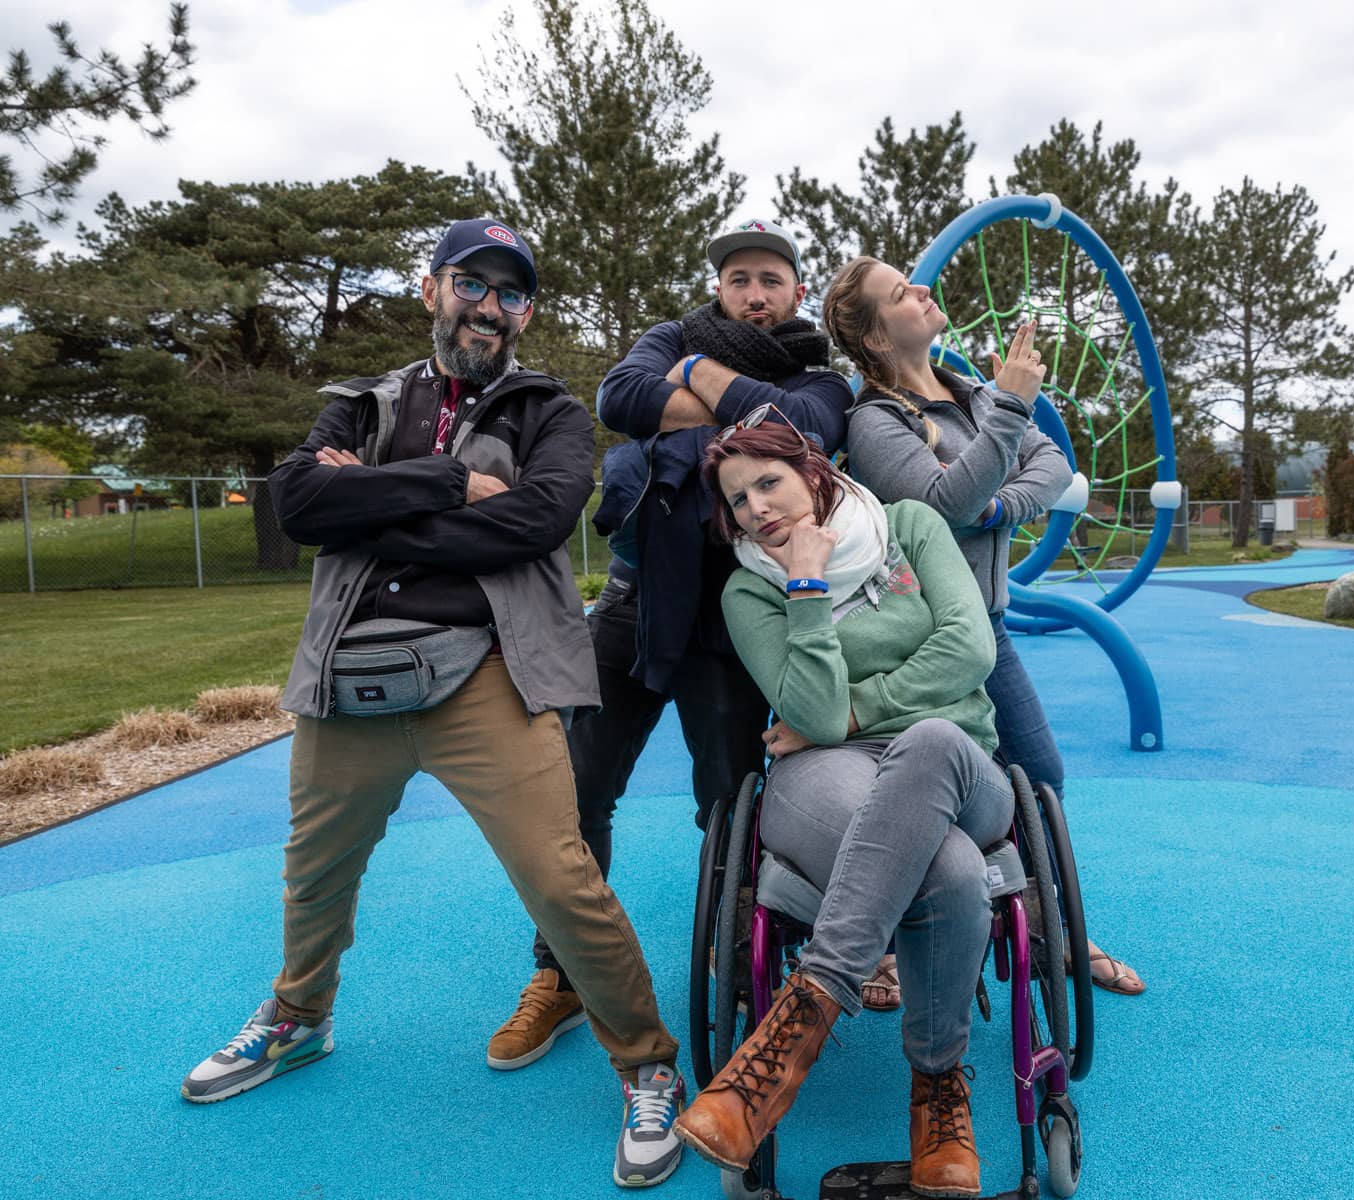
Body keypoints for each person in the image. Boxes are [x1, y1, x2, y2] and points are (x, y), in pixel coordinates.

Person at [179, 219, 687, 1190]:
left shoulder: (553, 412)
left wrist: (372, 512)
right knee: (316, 876)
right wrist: (454, 483)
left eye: (513, 293)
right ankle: (300, 1020)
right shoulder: (361, 404)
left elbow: (538, 520)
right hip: (349, 680)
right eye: (473, 283)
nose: (491, 306)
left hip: (488, 676)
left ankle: (646, 1064)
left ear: (527, 312)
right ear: (431, 290)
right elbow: (298, 505)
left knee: (560, 875)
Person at [485, 220, 853, 1074]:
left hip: (736, 618)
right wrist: (721, 396)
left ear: (796, 290)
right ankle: (563, 976)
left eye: (770, 278)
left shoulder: (820, 376)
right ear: (718, 288)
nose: (753, 294)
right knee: (575, 796)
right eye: (738, 280)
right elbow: (619, 399)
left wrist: (687, 384)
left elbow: (797, 426)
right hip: (632, 605)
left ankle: (737, 967)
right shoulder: (665, 337)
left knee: (729, 806)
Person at [672, 410, 1012, 1199]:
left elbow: (970, 649)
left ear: (814, 473)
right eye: (739, 499)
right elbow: (815, 719)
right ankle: (937, 1094)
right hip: (830, 776)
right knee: (953, 871)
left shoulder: (911, 527)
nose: (756, 507)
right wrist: (807, 586)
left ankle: (794, 1030)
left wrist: (862, 711)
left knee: (928, 742)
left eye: (769, 482)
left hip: (960, 763)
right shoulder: (749, 593)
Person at [823, 254, 1145, 1002]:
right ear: (875, 340)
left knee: (1040, 778)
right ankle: (886, 939)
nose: (924, 290)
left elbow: (1051, 468)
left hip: (987, 625)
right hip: (921, 638)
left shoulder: (970, 394)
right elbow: (938, 504)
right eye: (902, 293)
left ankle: (1053, 930)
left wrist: (996, 503)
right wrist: (1008, 417)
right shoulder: (875, 421)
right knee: (920, 795)